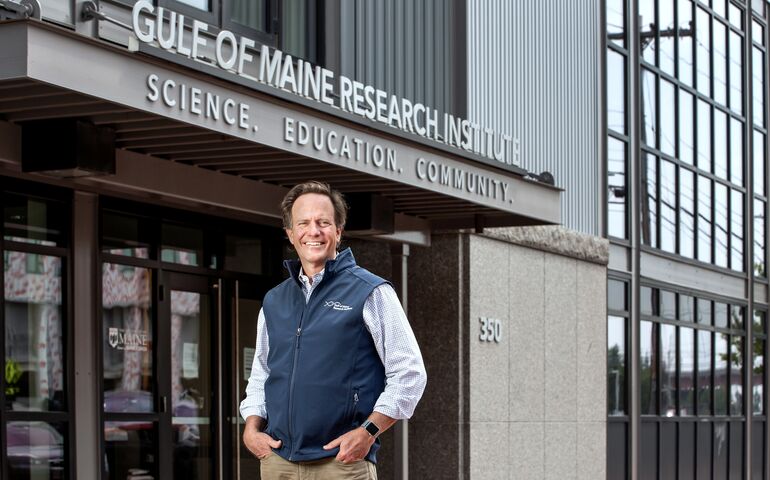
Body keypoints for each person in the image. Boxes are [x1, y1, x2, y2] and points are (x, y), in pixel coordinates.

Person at [240, 181, 427, 479]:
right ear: (290, 234)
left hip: (340, 463)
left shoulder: (370, 292)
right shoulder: (274, 300)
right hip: (278, 462)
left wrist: (368, 431)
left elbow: (410, 373)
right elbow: (261, 374)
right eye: (303, 223)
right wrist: (251, 428)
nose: (313, 231)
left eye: (323, 222)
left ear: (338, 232)